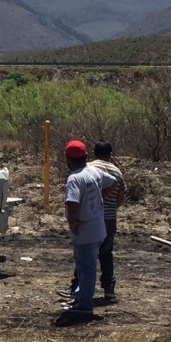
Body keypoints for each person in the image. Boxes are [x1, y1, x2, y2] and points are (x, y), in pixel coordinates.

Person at [55, 140, 116, 327]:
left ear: (67, 158)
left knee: (86, 269)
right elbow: (112, 182)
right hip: (98, 228)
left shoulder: (74, 178)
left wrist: (73, 222)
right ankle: (80, 299)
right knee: (85, 267)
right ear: (85, 156)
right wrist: (98, 199)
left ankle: (84, 306)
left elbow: (71, 203)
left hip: (85, 230)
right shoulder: (93, 171)